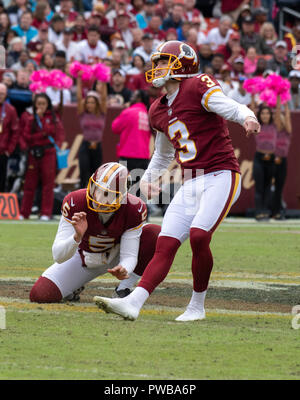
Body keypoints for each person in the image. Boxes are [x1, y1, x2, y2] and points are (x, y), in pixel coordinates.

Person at [93, 40, 260, 321]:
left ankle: (197, 307)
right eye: (156, 62)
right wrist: (147, 180)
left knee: (198, 236)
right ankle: (133, 303)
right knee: (166, 243)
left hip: (221, 174)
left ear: (181, 64)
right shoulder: (157, 109)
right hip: (192, 179)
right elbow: (162, 153)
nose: (156, 67)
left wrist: (248, 116)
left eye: (162, 61)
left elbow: (229, 106)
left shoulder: (196, 86)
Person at [29, 162, 161, 303]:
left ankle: (123, 289)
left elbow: (130, 255)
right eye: (96, 189)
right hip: (85, 258)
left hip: (117, 255)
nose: (98, 197)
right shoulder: (76, 201)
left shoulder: (134, 209)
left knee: (154, 233)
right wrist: (76, 237)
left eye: (106, 194)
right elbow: (58, 255)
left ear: (122, 195)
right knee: (40, 294)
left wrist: (124, 269)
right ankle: (75, 286)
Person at [19, 93, 65, 221]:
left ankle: (45, 213)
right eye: (38, 104)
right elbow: (26, 136)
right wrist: (40, 132)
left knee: (48, 185)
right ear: (35, 105)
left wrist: (43, 132)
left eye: (43, 104)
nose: (41, 107)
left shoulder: (54, 117)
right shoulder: (29, 118)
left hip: (48, 154)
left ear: (47, 105)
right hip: (34, 153)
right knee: (29, 184)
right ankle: (24, 212)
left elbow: (55, 133)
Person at [77, 71, 106, 189]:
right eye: (88, 102)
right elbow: (79, 97)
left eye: (92, 102)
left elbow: (103, 97)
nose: (89, 104)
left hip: (97, 146)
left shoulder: (102, 113)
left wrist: (103, 78)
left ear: (96, 103)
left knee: (96, 176)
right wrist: (79, 79)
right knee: (84, 174)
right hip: (85, 145)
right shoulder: (82, 113)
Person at [112, 89, 151, 176]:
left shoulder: (129, 112)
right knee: (138, 187)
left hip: (127, 155)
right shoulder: (148, 114)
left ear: (139, 99)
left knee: (122, 187)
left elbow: (114, 127)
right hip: (143, 156)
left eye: (134, 96)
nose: (131, 97)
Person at [252, 104, 279, 221]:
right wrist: (252, 94)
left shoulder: (275, 126)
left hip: (271, 158)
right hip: (259, 158)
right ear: (259, 115)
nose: (265, 115)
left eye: (267, 113)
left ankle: (266, 211)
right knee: (259, 187)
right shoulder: (257, 125)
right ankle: (258, 212)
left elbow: (278, 113)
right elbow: (252, 111)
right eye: (263, 113)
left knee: (268, 186)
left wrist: (279, 94)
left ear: (270, 115)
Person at [272, 97, 292, 220]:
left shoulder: (287, 132)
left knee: (279, 187)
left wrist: (285, 104)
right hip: (273, 160)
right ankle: (273, 211)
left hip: (283, 161)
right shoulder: (275, 130)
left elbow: (288, 117)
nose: (280, 122)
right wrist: (279, 100)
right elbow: (278, 115)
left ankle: (278, 211)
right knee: (272, 187)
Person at [0, 83, 19, 193]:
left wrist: (9, 150)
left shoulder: (10, 110)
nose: (0, 95)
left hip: (2, 152)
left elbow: (15, 132)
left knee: (1, 180)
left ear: (6, 94)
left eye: (2, 93)